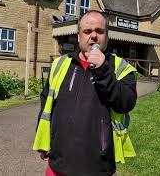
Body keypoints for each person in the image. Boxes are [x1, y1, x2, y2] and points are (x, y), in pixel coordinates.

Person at [33, 10, 137, 176]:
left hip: (97, 166)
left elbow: (126, 103)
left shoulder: (120, 67)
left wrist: (103, 69)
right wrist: (44, 143)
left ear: (107, 36)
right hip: (59, 163)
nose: (94, 36)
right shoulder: (60, 64)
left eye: (100, 31)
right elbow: (46, 105)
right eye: (87, 31)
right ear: (79, 36)